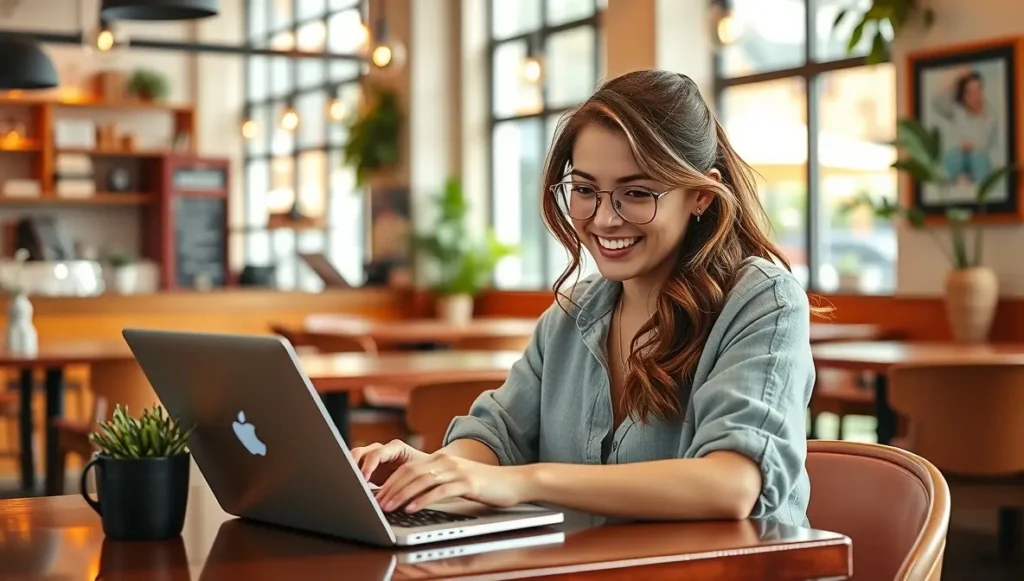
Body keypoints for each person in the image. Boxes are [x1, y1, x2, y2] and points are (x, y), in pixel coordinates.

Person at [353, 70, 820, 527]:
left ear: (700, 195)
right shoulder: (571, 314)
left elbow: (731, 484)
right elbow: (497, 434)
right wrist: (440, 470)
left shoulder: (764, 301)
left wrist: (526, 481)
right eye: (584, 190)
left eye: (636, 192)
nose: (603, 219)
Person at [937, 70, 997, 184]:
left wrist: (975, 148)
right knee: (954, 155)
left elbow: (994, 149)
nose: (975, 96)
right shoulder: (956, 111)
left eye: (978, 90)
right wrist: (958, 77)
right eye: (970, 93)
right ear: (963, 95)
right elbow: (937, 101)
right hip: (958, 158)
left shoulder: (991, 115)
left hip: (980, 161)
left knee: (978, 157)